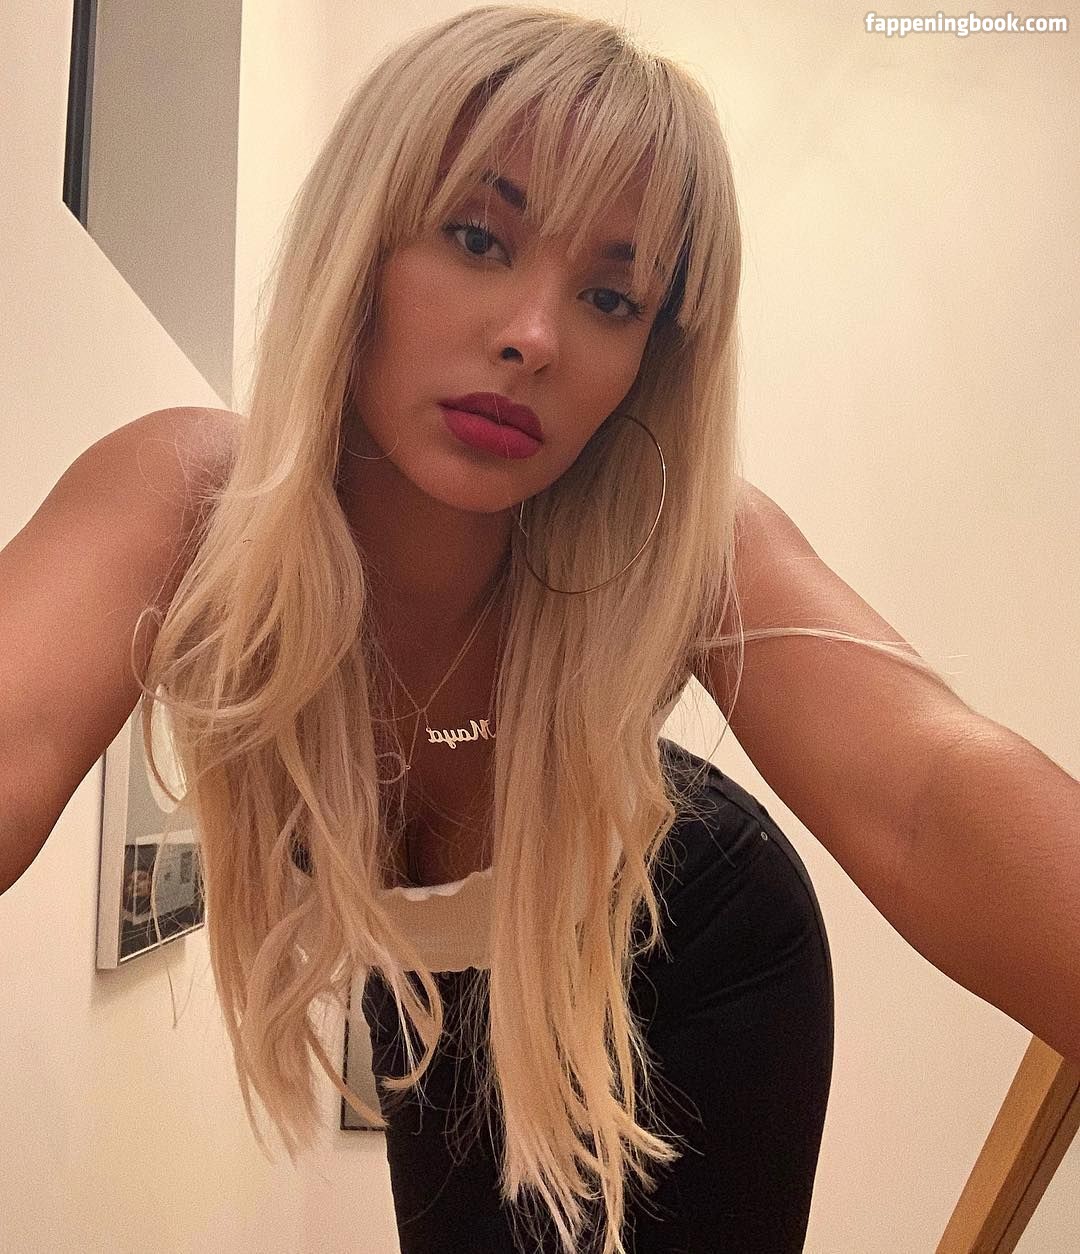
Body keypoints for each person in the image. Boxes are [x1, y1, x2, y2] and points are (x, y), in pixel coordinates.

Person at [4, 6, 1077, 1254]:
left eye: (613, 297)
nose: (533, 337)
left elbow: (926, 790)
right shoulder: (192, 500)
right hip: (433, 982)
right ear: (362, 240)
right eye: (477, 237)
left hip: (694, 939)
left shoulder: (673, 532)